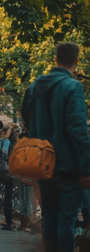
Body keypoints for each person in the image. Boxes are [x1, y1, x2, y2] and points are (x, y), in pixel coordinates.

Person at [21, 42, 90, 252]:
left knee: (50, 219)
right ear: (76, 61)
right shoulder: (73, 87)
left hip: (43, 164)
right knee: (66, 223)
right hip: (68, 166)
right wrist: (86, 167)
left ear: (56, 59)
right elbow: (78, 130)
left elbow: (26, 117)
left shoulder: (37, 86)